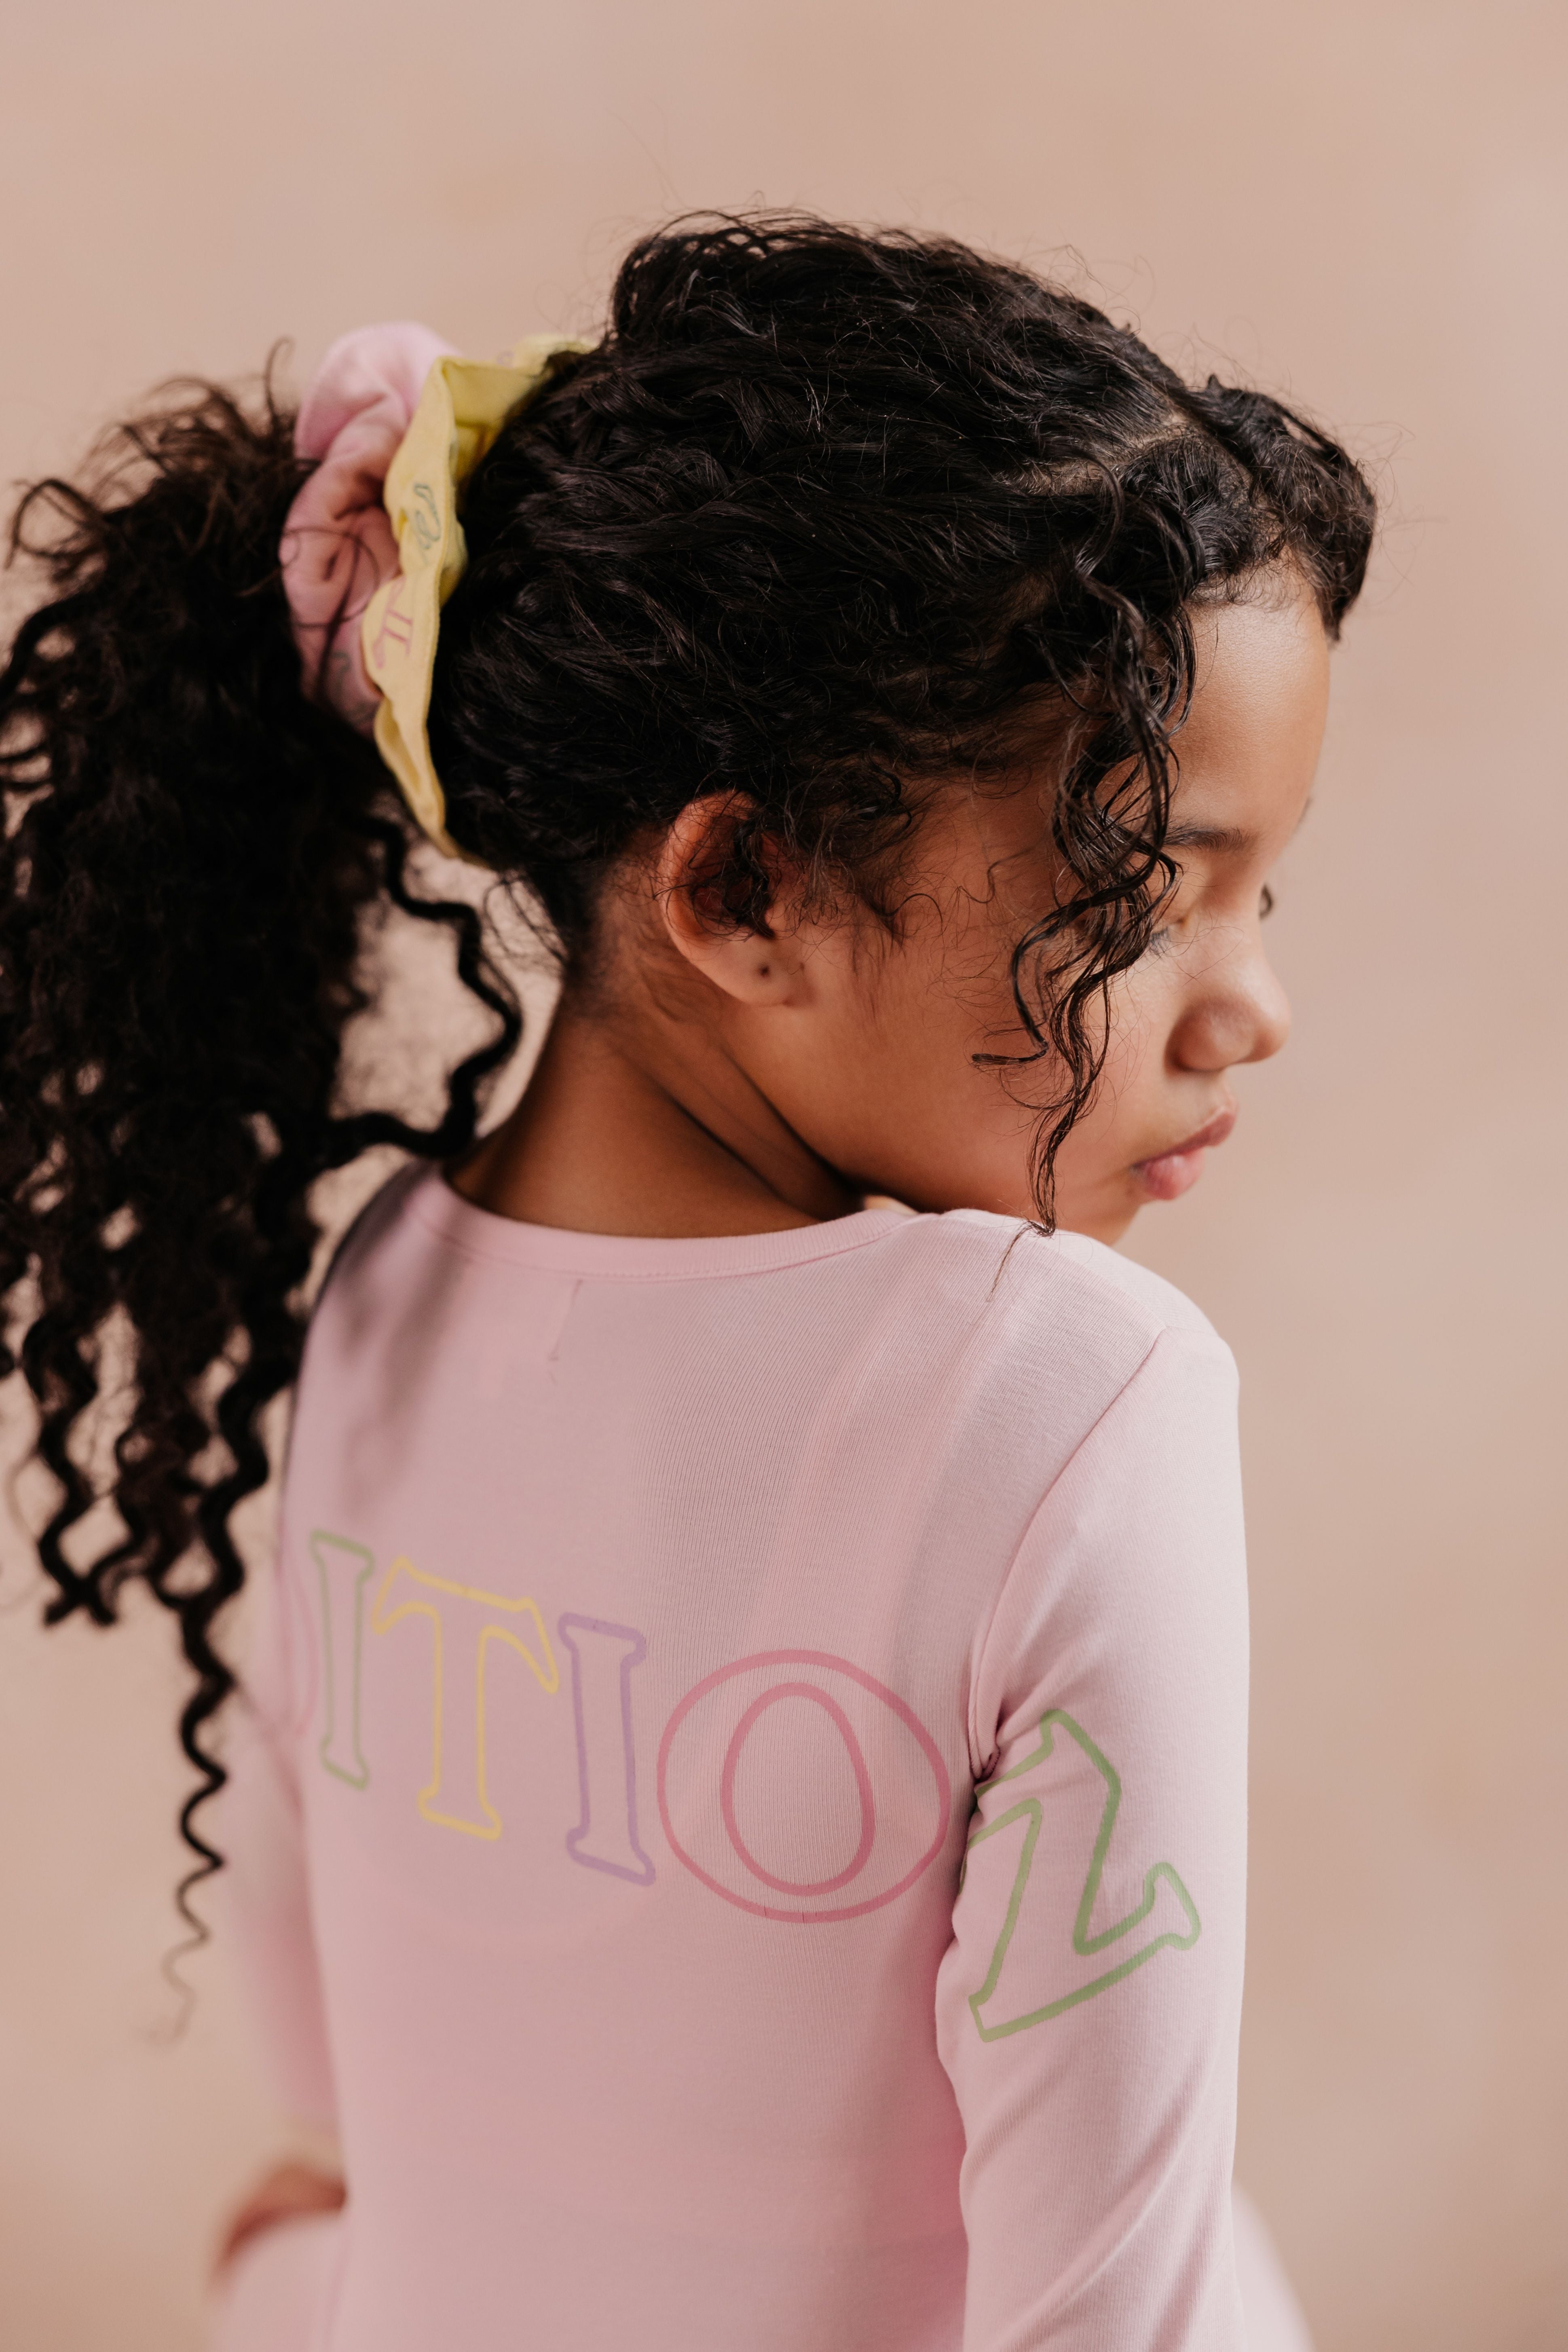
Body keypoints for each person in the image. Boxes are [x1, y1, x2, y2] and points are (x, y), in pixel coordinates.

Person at [0, 215, 1372, 2350]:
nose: (1251, 1010)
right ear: (744, 887)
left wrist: (295, 2283)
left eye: (1260, 893)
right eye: (1143, 896)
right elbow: (1107, 2311)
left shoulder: (383, 1301)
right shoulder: (1067, 1399)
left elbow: (326, 2088)